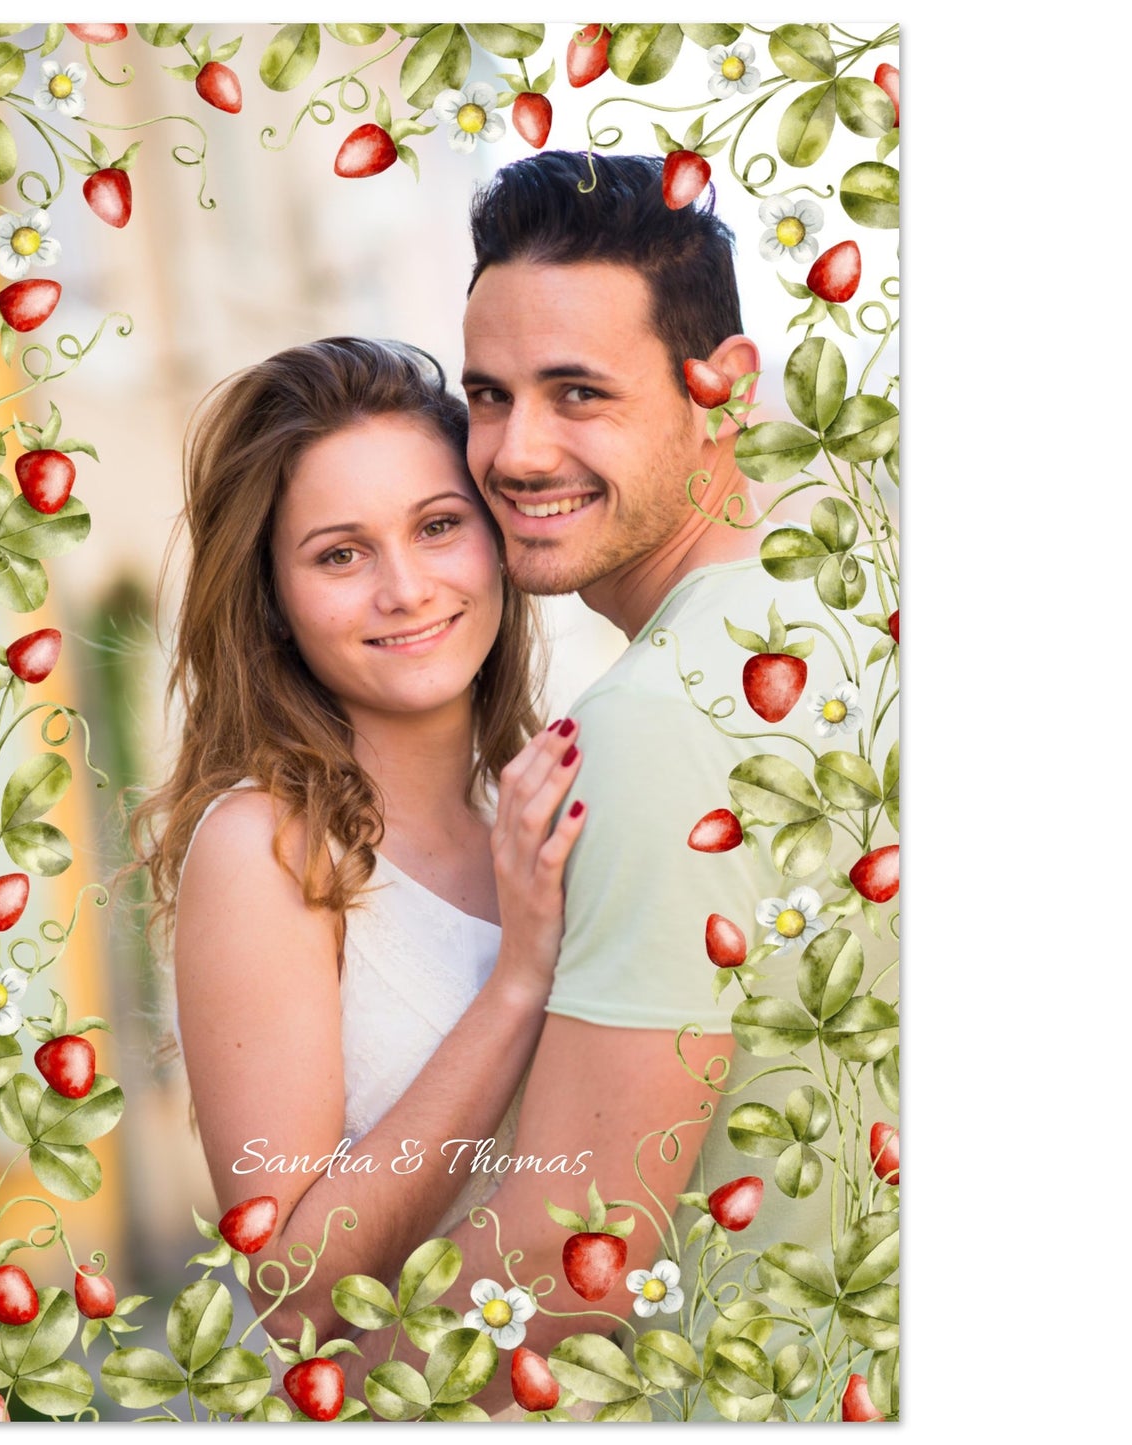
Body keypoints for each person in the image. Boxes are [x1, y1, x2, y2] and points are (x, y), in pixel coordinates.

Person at [443, 150, 898, 1412]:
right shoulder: (853, 618)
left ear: (724, 390)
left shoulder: (655, 721)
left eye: (577, 392)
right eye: (488, 394)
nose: (515, 451)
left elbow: (570, 1259)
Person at [129, 336, 589, 1347]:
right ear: (275, 603)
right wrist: (516, 978)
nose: (406, 588)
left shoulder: (531, 824)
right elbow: (295, 1297)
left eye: (436, 526)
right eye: (340, 552)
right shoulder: (266, 850)